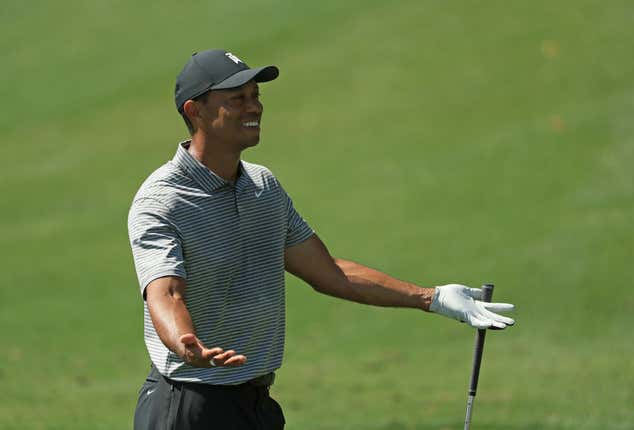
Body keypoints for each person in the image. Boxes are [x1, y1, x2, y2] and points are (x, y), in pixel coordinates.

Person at [127, 49, 515, 430]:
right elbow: (166, 293)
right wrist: (183, 342)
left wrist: (431, 298)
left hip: (255, 404)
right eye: (237, 99)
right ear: (196, 111)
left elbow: (329, 272)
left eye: (256, 97)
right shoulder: (162, 200)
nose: (255, 107)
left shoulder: (263, 187)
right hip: (189, 405)